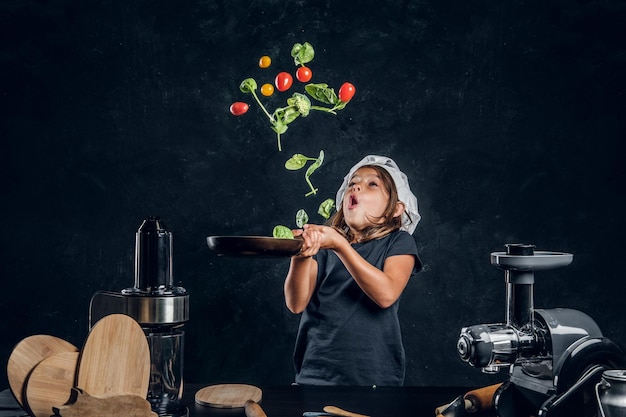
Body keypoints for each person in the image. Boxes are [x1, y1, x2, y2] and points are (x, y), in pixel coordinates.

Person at [284, 155, 422, 386]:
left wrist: (341, 246)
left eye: (372, 184)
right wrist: (300, 255)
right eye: (353, 183)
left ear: (395, 209)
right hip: (315, 374)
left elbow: (386, 295)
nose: (356, 186)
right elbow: (296, 304)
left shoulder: (399, 242)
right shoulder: (325, 248)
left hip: (373, 376)